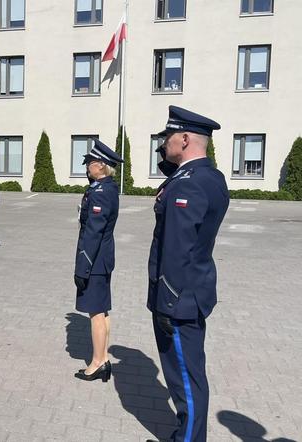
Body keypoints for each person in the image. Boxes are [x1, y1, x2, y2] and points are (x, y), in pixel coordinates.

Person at [146, 106, 229, 442]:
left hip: (177, 298)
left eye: (168, 137)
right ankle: (186, 434)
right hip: (192, 290)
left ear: (184, 138)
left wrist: (166, 301)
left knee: (185, 379)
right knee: (186, 375)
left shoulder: (188, 185)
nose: (164, 143)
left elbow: (178, 248)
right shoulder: (208, 176)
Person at [73, 139, 123, 383]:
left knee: (95, 313)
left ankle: (97, 362)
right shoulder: (104, 188)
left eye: (91, 163)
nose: (87, 167)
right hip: (101, 258)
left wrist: (82, 267)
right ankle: (102, 357)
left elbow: (93, 233)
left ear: (101, 166)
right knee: (101, 310)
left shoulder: (102, 192)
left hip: (94, 260)